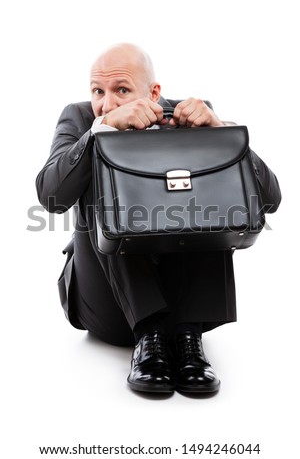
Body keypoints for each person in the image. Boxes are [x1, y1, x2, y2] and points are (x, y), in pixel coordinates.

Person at [36, 43, 281, 395]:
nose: (106, 104)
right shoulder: (80, 118)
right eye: (97, 92)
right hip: (106, 302)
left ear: (153, 93)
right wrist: (101, 131)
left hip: (184, 302)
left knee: (203, 188)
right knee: (98, 163)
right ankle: (148, 338)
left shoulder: (187, 116)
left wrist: (221, 133)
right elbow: (52, 197)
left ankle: (187, 341)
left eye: (121, 90)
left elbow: (270, 200)